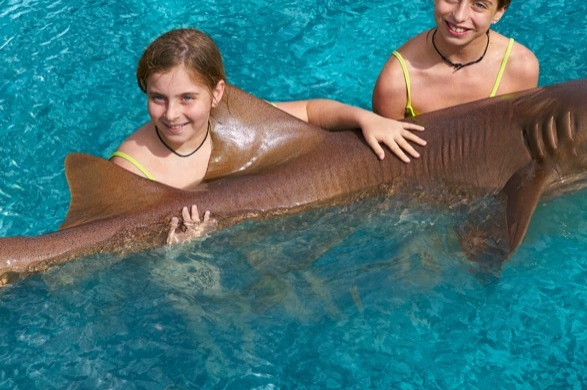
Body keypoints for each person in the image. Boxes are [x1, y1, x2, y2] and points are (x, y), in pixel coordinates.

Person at [109, 28, 425, 240]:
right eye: (157, 98)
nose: (171, 114)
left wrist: (366, 119)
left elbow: (313, 111)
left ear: (217, 93)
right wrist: (174, 249)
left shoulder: (235, 120)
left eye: (187, 98)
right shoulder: (132, 169)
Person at [372, 0, 539, 119]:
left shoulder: (520, 67)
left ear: (499, 12)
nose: (459, 16)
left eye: (479, 5)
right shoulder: (398, 81)